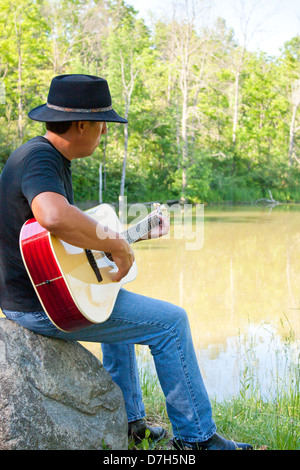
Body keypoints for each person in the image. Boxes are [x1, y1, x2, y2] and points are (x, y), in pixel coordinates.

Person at [0, 74, 252, 450]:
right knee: (171, 323)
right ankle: (197, 439)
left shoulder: (42, 156)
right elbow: (53, 216)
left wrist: (130, 236)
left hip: (39, 295)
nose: (104, 131)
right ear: (82, 124)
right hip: (41, 307)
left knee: (113, 290)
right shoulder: (40, 157)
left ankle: (131, 419)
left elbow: (60, 244)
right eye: (102, 123)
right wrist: (118, 244)